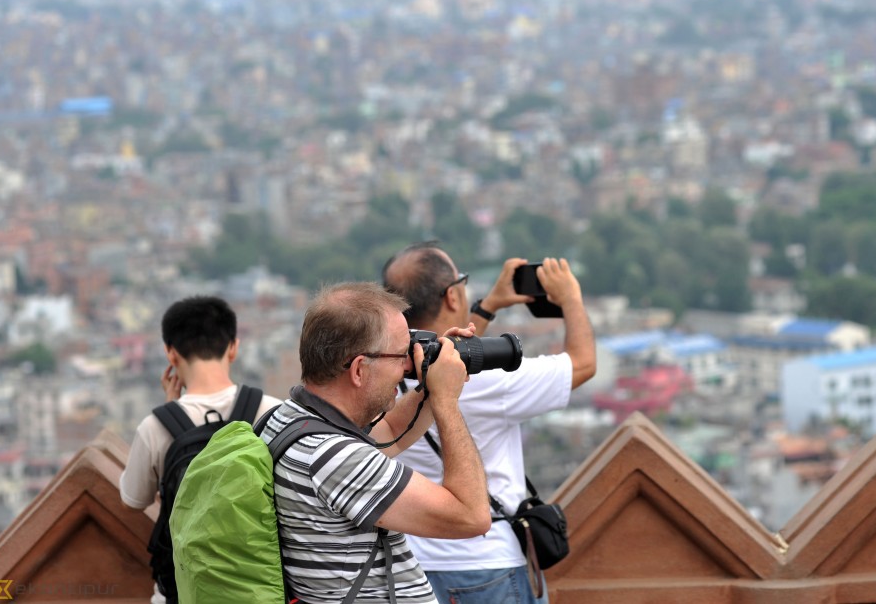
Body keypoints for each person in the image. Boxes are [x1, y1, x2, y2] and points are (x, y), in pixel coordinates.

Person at [382, 243, 597, 604]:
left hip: (410, 566)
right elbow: (583, 364)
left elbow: (452, 354)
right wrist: (570, 297)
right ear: (452, 296)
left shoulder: (383, 370)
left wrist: (487, 306)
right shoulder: (492, 382)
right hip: (486, 564)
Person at [257, 282, 491, 603]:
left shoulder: (288, 420)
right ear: (358, 369)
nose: (408, 367)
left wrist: (432, 381)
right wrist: (447, 401)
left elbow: (391, 430)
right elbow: (472, 516)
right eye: (400, 355)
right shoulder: (335, 457)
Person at [120, 295, 284, 604]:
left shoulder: (155, 428)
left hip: (183, 592)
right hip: (262, 587)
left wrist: (172, 414)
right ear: (233, 347)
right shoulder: (273, 412)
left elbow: (132, 499)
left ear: (171, 353)